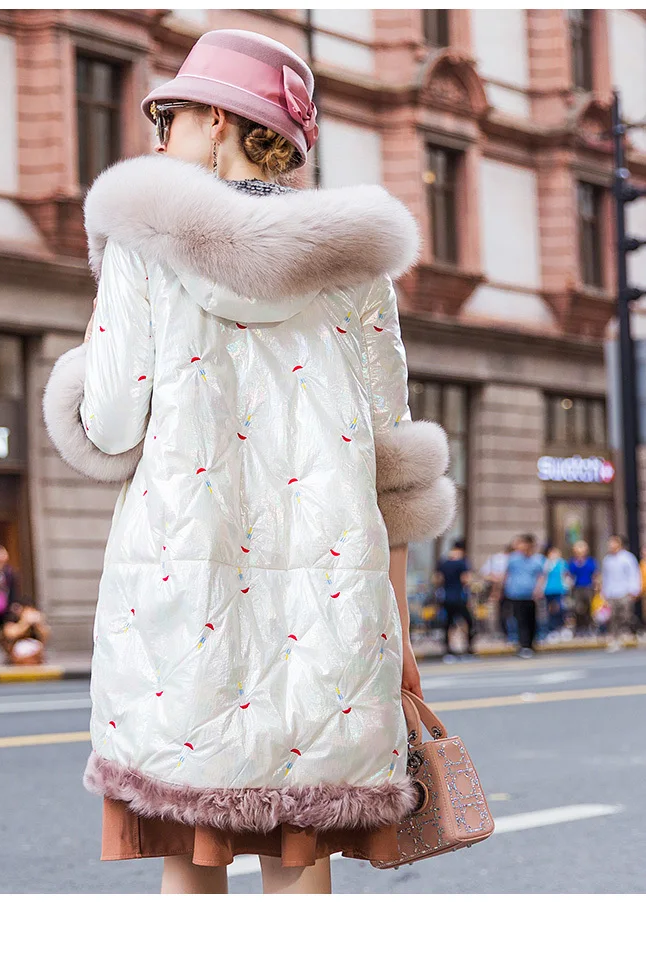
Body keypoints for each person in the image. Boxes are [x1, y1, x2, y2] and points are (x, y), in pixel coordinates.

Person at [42, 28, 456, 896]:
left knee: (190, 859)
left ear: (222, 123)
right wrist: (401, 628)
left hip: (180, 601)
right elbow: (395, 463)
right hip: (332, 600)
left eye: (172, 113)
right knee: (298, 858)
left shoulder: (140, 244)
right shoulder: (356, 270)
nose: (159, 132)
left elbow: (110, 426)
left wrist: (84, 364)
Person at [503, 534, 545, 658]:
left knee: (531, 620)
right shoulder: (513, 559)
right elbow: (506, 574)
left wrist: (538, 589)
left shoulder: (537, 560)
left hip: (531, 595)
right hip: (516, 594)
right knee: (520, 620)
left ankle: (531, 644)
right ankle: (523, 645)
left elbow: (541, 576)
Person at [435, 539, 475, 660]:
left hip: (446, 597)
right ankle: (468, 649)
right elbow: (466, 579)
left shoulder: (443, 562)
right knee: (468, 622)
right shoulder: (462, 562)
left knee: (448, 623)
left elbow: (437, 579)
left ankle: (448, 650)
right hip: (460, 597)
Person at [601, 535, 641, 650]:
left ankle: (631, 633)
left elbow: (633, 574)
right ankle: (615, 638)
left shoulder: (628, 558)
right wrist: (604, 592)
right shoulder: (607, 560)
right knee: (613, 617)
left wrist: (634, 589)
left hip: (625, 591)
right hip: (612, 592)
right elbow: (605, 577)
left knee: (626, 616)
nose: (611, 545)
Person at [0, 598, 50, 665]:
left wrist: (38, 624)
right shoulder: (12, 622)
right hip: (17, 658)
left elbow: (45, 636)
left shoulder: (35, 625)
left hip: (34, 657)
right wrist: (25, 622)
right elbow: (12, 634)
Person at [480, 542, 513, 641]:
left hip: (509, 589)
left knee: (505, 612)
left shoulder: (499, 558)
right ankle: (503, 632)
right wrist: (497, 580)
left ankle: (505, 632)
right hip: (500, 588)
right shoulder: (497, 559)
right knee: (502, 612)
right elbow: (485, 573)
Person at [568, 540, 597, 636]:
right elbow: (569, 575)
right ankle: (579, 627)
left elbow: (595, 574)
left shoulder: (590, 561)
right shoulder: (573, 562)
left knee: (589, 607)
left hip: (588, 587)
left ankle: (589, 627)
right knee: (578, 608)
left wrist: (597, 585)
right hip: (577, 587)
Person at [542, 545, 571, 641]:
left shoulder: (562, 563)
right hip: (548, 589)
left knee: (560, 609)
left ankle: (562, 627)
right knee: (550, 611)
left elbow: (566, 576)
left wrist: (567, 586)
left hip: (559, 589)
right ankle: (552, 629)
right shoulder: (546, 563)